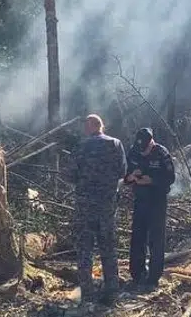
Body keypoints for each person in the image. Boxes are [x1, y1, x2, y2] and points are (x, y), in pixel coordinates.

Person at [70, 113, 125, 301]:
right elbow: (122, 171)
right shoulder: (115, 144)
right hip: (107, 205)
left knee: (84, 249)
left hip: (85, 206)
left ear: (91, 126)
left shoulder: (81, 146)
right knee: (108, 246)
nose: (84, 130)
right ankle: (112, 288)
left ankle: (87, 291)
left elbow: (71, 175)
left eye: (85, 126)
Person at [124, 126, 175, 288]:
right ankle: (137, 274)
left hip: (157, 201)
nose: (143, 151)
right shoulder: (133, 152)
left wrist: (151, 180)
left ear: (151, 142)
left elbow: (170, 178)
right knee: (138, 237)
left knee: (156, 239)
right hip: (140, 200)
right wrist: (132, 176)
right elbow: (124, 176)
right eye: (141, 148)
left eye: (145, 148)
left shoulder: (162, 153)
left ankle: (153, 277)